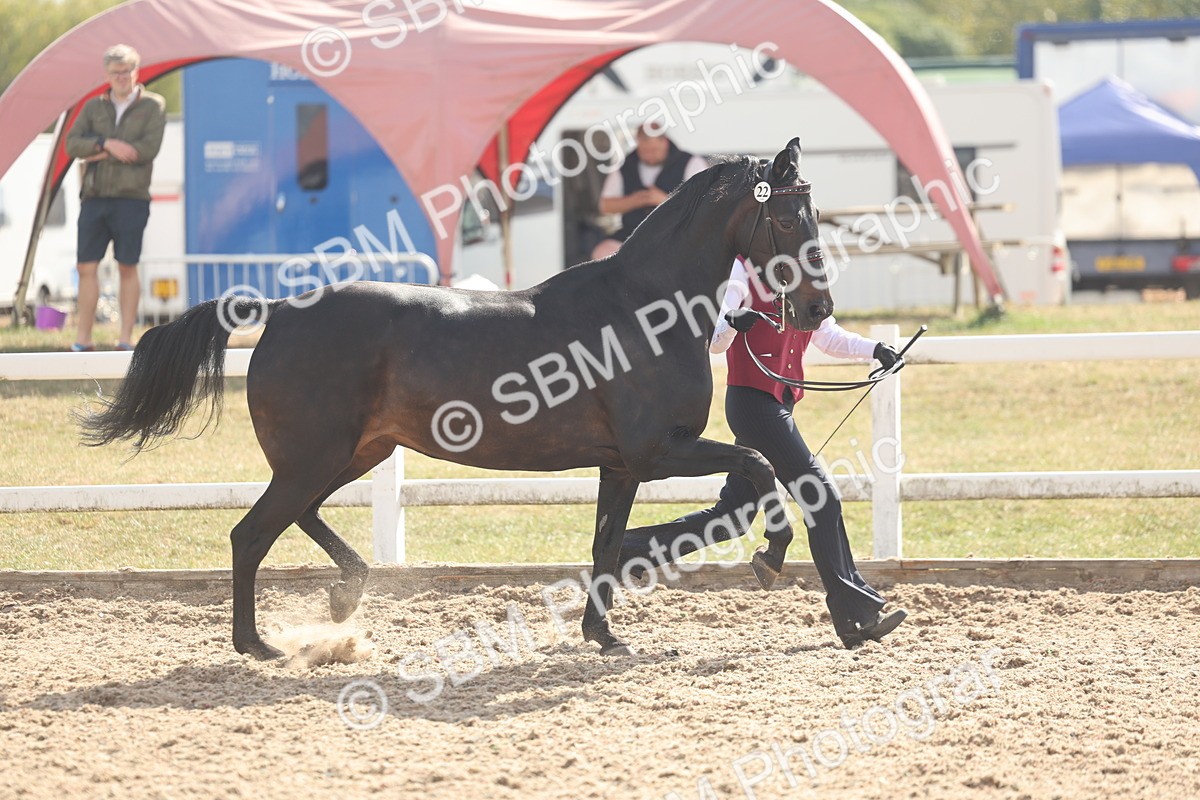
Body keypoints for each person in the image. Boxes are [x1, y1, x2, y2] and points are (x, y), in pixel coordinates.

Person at [619, 257, 907, 649]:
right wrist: (734, 323)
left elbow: (827, 336)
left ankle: (630, 550)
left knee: (731, 518)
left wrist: (876, 349)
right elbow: (717, 339)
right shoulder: (743, 271)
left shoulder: (806, 275)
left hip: (778, 405)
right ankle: (855, 614)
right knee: (820, 497)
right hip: (754, 405)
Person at [65, 44, 166, 352]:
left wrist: (95, 153)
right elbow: (71, 145)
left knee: (127, 265)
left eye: (126, 71)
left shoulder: (153, 106)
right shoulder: (92, 107)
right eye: (115, 72)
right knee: (86, 267)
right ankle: (83, 340)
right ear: (106, 75)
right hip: (94, 198)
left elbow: (145, 151)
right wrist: (107, 143)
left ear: (136, 72)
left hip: (131, 198)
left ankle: (125, 338)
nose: (121, 77)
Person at [590, 124, 709, 260]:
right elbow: (605, 206)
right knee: (603, 253)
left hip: (676, 233)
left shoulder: (691, 163)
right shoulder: (626, 166)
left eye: (653, 150)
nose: (649, 155)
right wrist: (634, 201)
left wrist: (665, 200)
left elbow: (703, 204)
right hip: (633, 233)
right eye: (644, 151)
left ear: (664, 142)